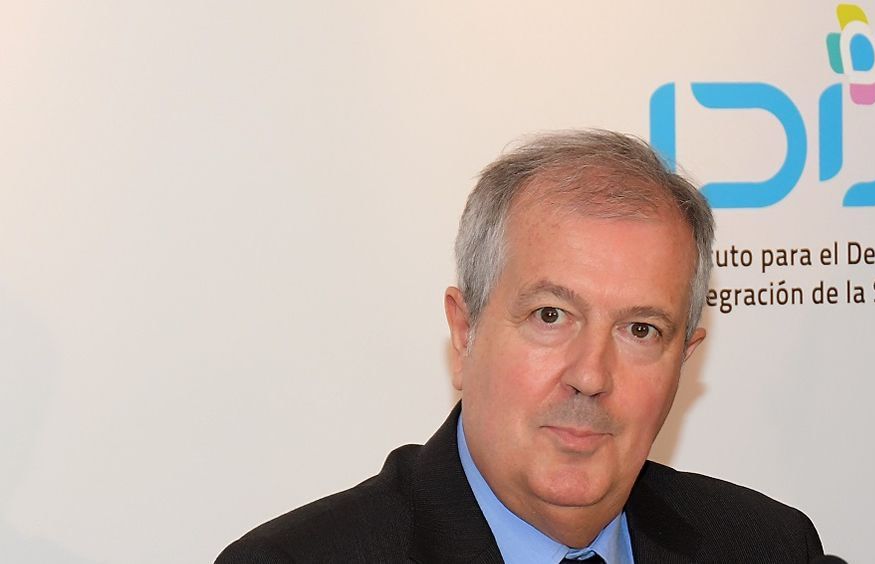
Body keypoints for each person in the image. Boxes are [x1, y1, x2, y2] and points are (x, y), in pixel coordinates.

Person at [217, 130, 824, 563]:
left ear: (683, 360)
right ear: (465, 331)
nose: (591, 375)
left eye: (640, 330)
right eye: (551, 316)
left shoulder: (768, 547)